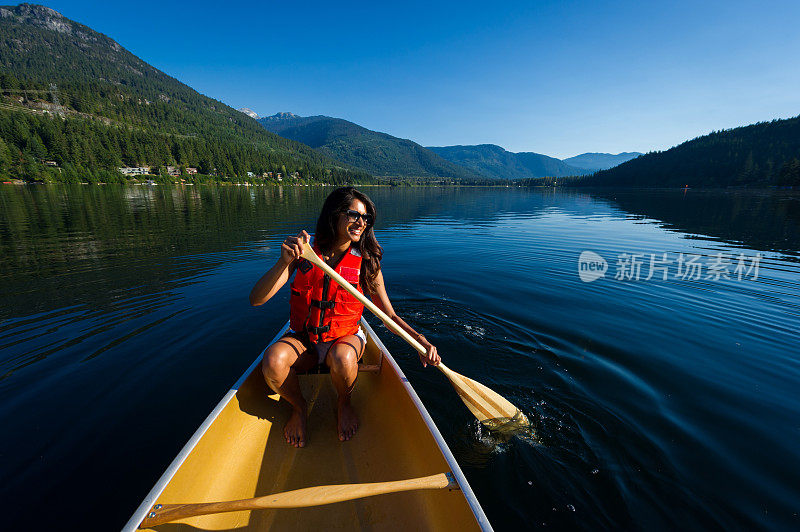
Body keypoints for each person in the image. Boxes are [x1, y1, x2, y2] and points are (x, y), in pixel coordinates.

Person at [249, 187, 440, 448]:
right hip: (306, 339)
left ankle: (344, 403)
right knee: (272, 361)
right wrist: (283, 263)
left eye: (366, 218)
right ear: (334, 214)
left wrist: (421, 340)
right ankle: (299, 407)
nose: (361, 223)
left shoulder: (368, 261)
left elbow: (388, 315)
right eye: (354, 215)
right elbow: (256, 299)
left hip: (345, 339)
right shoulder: (305, 253)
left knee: (341, 357)